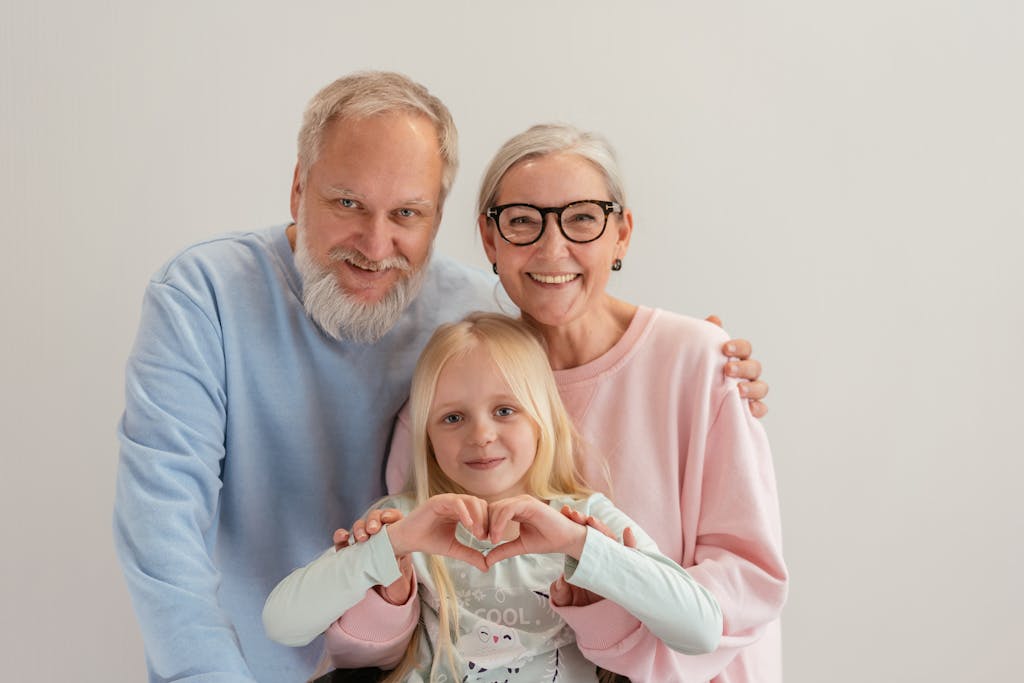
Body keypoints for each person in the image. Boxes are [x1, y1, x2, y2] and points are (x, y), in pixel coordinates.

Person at [112, 71, 768, 683]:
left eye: (407, 213)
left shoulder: (471, 317)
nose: (374, 243)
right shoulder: (204, 295)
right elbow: (161, 532)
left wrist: (702, 350)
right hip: (246, 662)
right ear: (297, 188)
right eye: (347, 202)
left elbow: (568, 305)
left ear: (437, 218)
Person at [379, 124, 787, 682]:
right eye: (523, 220)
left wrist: (618, 650)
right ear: (490, 239)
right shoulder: (455, 382)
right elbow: (416, 584)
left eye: (583, 218)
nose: (553, 248)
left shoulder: (701, 361)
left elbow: (749, 577)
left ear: (621, 234)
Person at [263, 313, 724, 682]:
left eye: (505, 410)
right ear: (426, 436)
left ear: (542, 418)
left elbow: (702, 629)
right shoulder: (402, 521)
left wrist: (584, 548)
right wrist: (388, 549)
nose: (481, 435)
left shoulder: (583, 519)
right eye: (452, 418)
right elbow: (283, 624)